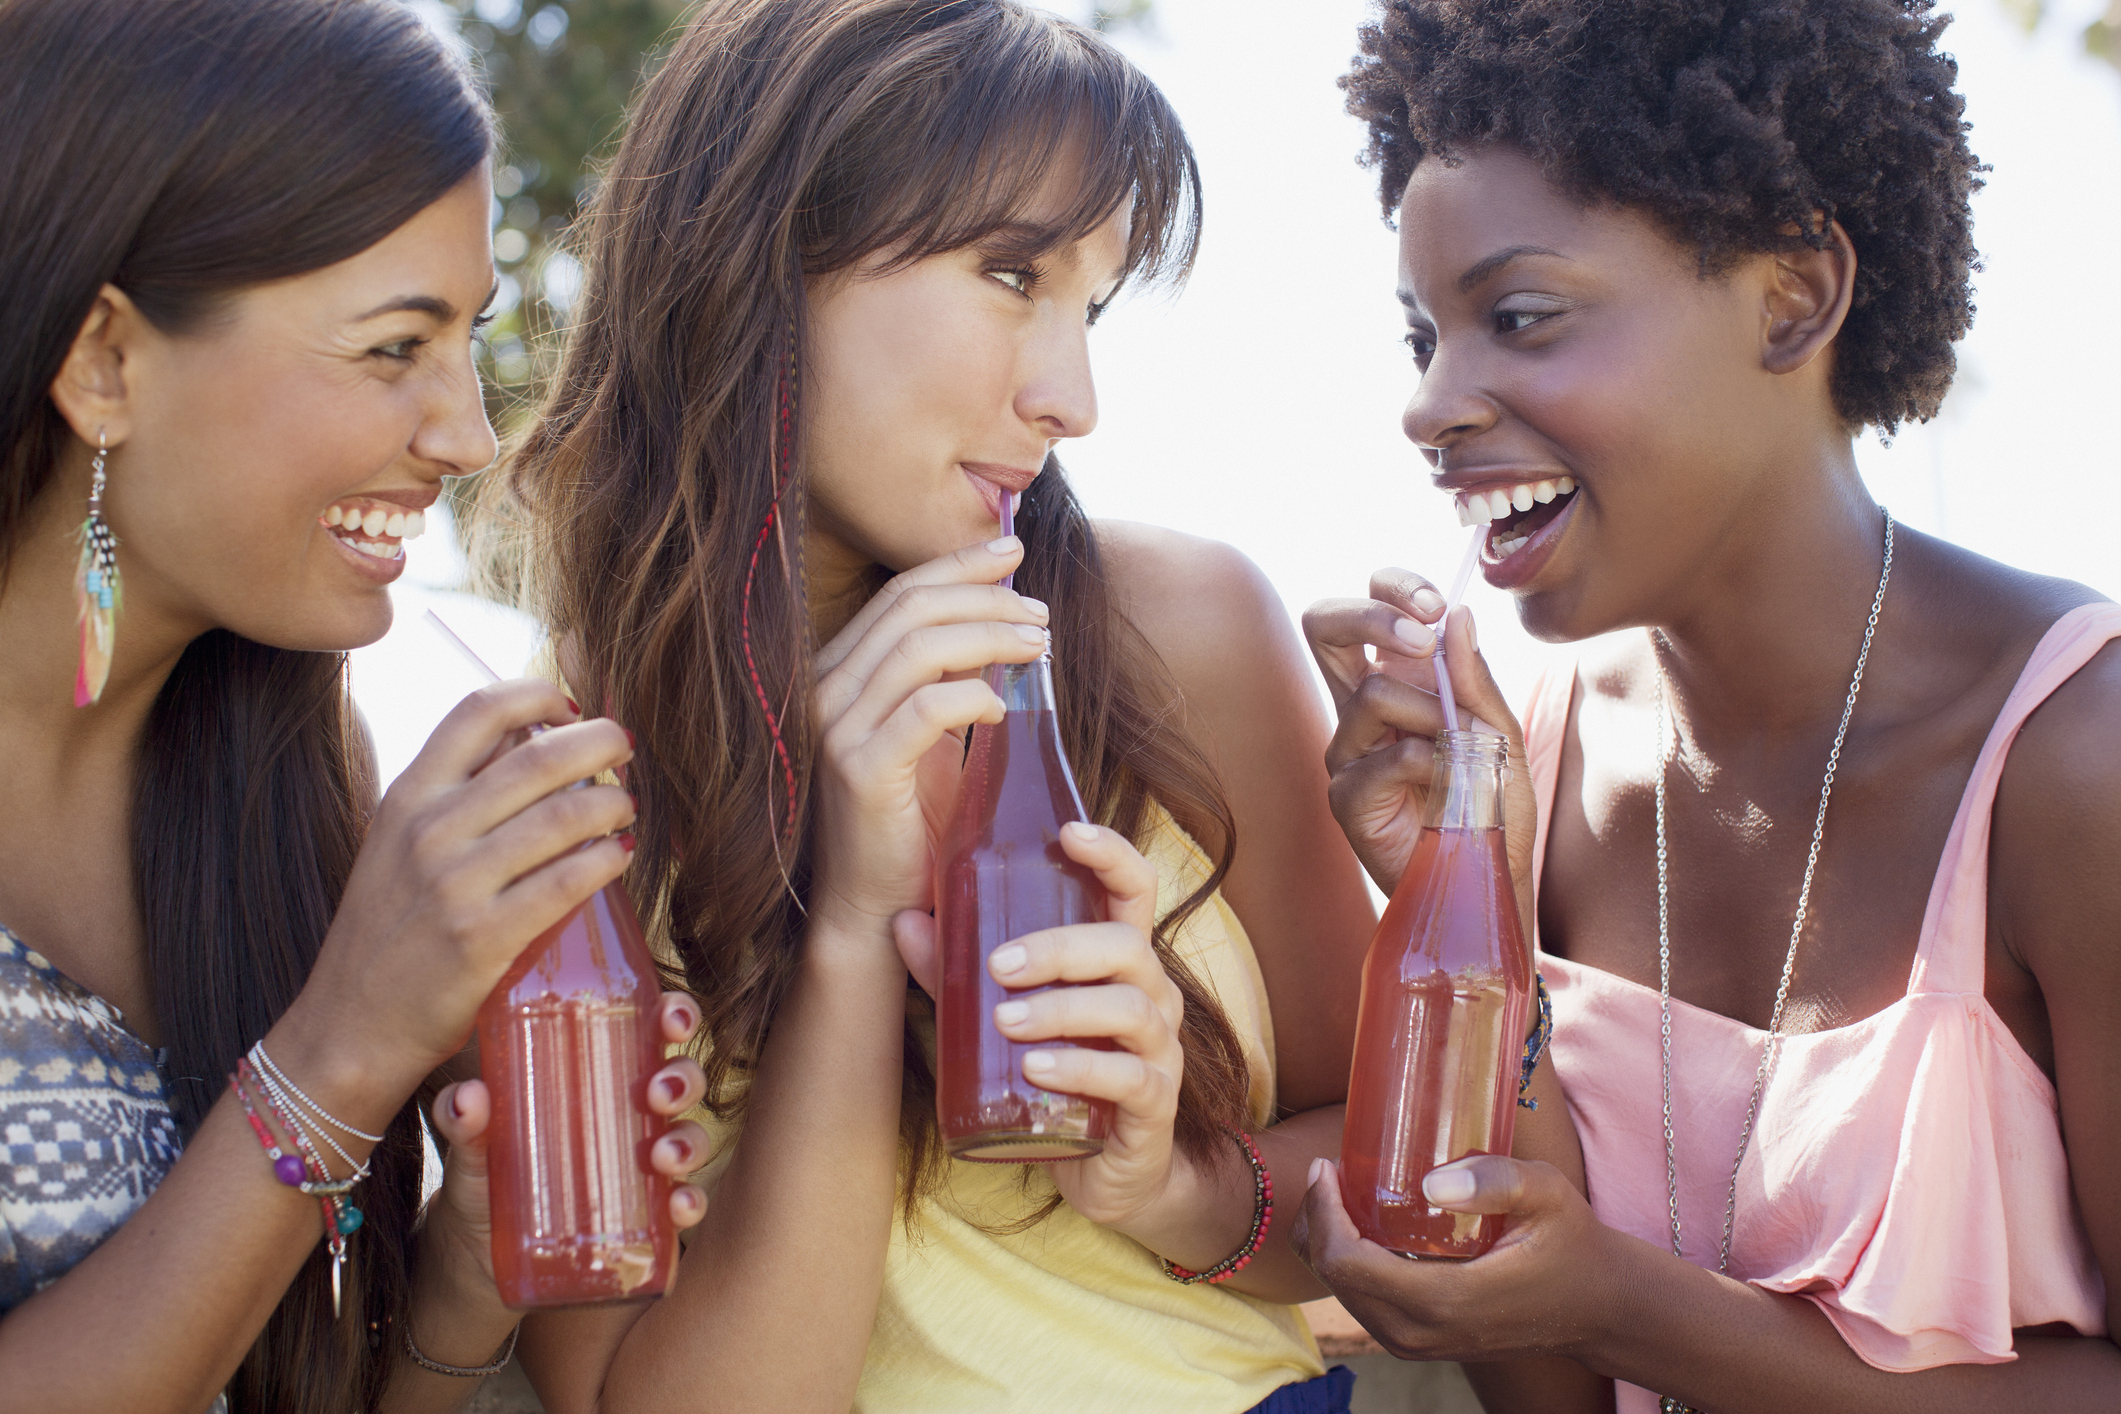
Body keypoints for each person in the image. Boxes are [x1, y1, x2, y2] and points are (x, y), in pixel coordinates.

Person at [481, 2, 1571, 1409]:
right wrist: (856, 929)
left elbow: (1390, 1183)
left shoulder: (1165, 632)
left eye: (1092, 308)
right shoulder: (556, 791)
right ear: (764, 255)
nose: (1073, 396)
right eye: (1011, 274)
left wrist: (1164, 1179)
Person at [1292, 0, 2121, 1410]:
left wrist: (1626, 1304)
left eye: (1518, 317)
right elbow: (1547, 1389)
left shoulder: (2071, 760)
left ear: (1790, 296)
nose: (1431, 404)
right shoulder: (1527, 770)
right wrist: (1460, 896)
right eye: (1423, 334)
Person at [0, 2, 712, 1408]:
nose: (463, 432)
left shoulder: (295, 780)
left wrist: (465, 1253)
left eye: (470, 342)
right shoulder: (344, 959)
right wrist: (343, 1048)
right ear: (105, 363)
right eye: (395, 347)